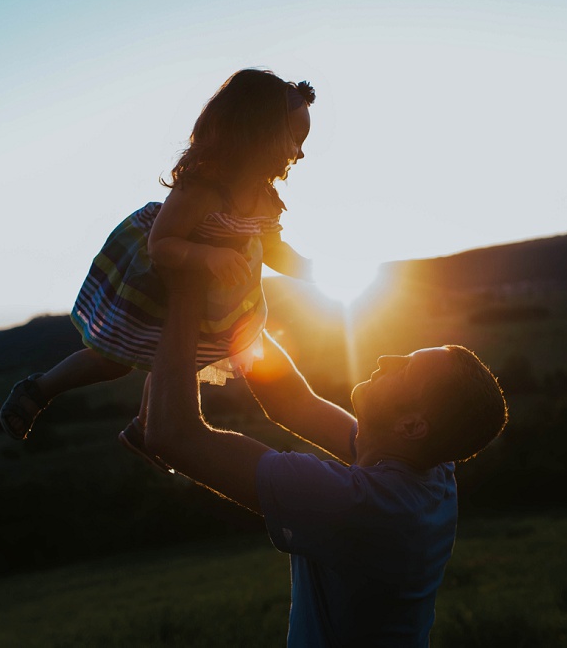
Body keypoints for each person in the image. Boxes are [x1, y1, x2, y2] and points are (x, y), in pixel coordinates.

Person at [143, 268, 509, 647]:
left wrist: (185, 285)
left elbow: (174, 436)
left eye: (405, 370)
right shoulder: (432, 470)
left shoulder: (362, 506)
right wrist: (233, 310)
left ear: (412, 426)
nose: (387, 358)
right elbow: (292, 402)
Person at [0, 69, 316, 447]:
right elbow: (161, 243)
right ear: (256, 131)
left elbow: (274, 247)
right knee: (112, 360)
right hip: (160, 283)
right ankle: (40, 389)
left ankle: (146, 428)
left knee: (184, 362)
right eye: (294, 139)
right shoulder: (202, 187)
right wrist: (208, 256)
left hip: (215, 300)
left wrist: (312, 271)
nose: (299, 152)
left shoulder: (264, 198)